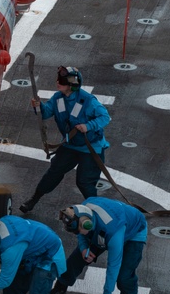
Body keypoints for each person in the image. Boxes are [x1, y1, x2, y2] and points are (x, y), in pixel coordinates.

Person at [19, 66, 110, 213]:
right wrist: (38, 106)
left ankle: (96, 211)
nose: (57, 82)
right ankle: (34, 199)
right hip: (71, 144)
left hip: (90, 148)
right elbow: (46, 113)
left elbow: (105, 117)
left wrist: (89, 126)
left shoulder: (88, 101)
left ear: (72, 85)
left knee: (84, 182)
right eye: (58, 79)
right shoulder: (58, 98)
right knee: (54, 172)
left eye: (61, 80)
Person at [51, 198, 147, 294]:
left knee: (124, 275)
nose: (77, 234)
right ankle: (59, 290)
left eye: (78, 231)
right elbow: (81, 233)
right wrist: (84, 248)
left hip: (134, 232)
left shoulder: (113, 233)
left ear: (88, 224)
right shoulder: (82, 211)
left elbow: (114, 264)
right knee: (76, 259)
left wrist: (107, 293)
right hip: (105, 227)